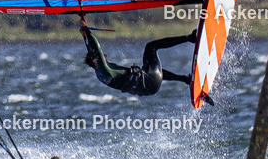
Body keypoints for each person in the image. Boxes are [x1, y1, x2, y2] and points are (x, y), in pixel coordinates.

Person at [80, 16, 214, 104]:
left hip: (148, 88)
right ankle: (190, 38)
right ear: (96, 60)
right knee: (151, 47)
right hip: (150, 81)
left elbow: (91, 50)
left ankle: (186, 79)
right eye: (102, 56)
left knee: (149, 69)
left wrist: (85, 34)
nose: (105, 56)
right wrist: (87, 30)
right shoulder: (103, 67)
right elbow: (96, 48)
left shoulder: (99, 73)